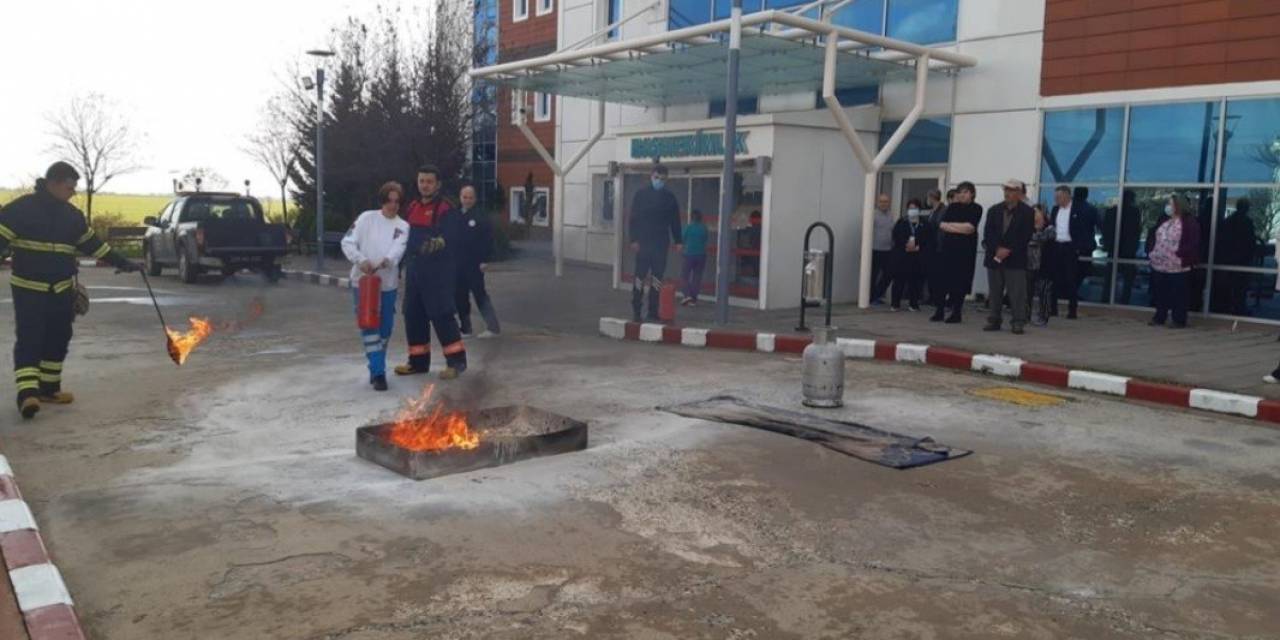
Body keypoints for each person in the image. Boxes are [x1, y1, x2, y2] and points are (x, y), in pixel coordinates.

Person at [0, 162, 140, 419]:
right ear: (53, 182)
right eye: (69, 187)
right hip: (29, 288)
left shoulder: (71, 216)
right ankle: (27, 394)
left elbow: (94, 246)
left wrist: (125, 263)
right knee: (31, 337)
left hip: (61, 288)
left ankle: (49, 388)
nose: (72, 192)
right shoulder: (19, 210)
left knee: (59, 336)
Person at [396, 164, 467, 379]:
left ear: (437, 184)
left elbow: (453, 236)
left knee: (441, 314)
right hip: (415, 270)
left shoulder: (445, 208)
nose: (425, 185)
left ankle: (456, 363)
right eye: (421, 181)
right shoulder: (412, 207)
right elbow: (402, 239)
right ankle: (417, 363)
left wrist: (439, 242)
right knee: (412, 314)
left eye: (429, 181)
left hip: (438, 272)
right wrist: (398, 266)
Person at [342, 181, 410, 392]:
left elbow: (397, 250)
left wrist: (386, 262)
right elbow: (348, 242)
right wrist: (361, 260)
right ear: (382, 201)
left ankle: (374, 365)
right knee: (369, 325)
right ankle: (379, 373)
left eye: (397, 201)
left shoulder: (403, 227)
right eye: (389, 201)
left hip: (387, 283)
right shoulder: (366, 218)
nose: (393, 205)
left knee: (385, 329)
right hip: (362, 282)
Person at [628, 164, 682, 322]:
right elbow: (633, 219)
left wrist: (678, 240)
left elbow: (675, 221)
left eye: (663, 179)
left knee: (657, 279)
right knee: (639, 278)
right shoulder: (641, 195)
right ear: (651, 176)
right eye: (657, 178)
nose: (660, 181)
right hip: (643, 243)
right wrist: (633, 239)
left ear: (667, 180)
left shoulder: (670, 198)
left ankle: (653, 311)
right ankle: (636, 311)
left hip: (660, 244)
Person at [982, 179, 1036, 334]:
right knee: (995, 291)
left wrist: (1009, 249)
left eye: (1011, 190)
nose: (1007, 193)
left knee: (1017, 293)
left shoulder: (1027, 212)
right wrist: (997, 248)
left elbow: (1026, 235)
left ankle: (1018, 321)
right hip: (995, 257)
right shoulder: (994, 210)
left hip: (1015, 258)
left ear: (1019, 193)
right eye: (1006, 190)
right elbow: (988, 233)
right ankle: (994, 320)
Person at [1146, 194, 1201, 329]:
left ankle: (1178, 320)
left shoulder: (1189, 222)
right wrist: (1152, 251)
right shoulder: (1164, 220)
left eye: (1170, 204)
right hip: (1159, 264)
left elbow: (1193, 242)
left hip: (1177, 266)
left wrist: (1179, 254)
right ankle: (1160, 317)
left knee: (1179, 294)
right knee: (1160, 293)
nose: (1168, 207)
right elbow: (1154, 236)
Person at [931, 182, 983, 324]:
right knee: (942, 281)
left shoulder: (976, 208)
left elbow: (970, 228)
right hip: (948, 249)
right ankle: (939, 311)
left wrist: (952, 226)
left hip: (965, 252)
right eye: (960, 192)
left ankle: (956, 313)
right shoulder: (952, 207)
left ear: (972, 193)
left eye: (966, 192)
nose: (962, 194)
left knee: (960, 282)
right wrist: (958, 227)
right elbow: (942, 225)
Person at [454, 184, 501, 338]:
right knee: (460, 296)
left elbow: (488, 239)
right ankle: (466, 328)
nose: (467, 200)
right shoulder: (455, 215)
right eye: (464, 197)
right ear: (460, 197)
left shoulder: (481, 216)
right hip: (458, 264)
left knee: (479, 294)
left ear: (475, 199)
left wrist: (485, 260)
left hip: (475, 264)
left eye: (470, 197)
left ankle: (493, 327)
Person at [1048, 185, 1100, 319]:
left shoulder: (1078, 209)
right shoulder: (1055, 209)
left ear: (1067, 196)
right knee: (1054, 278)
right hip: (1057, 246)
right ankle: (1052, 308)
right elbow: (1053, 226)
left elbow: (1084, 230)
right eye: (1055, 197)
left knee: (1070, 278)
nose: (1056, 199)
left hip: (1070, 247)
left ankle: (1072, 310)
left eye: (1058, 197)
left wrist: (1078, 247)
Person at [1213, 197, 1258, 316]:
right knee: (1240, 287)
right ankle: (1238, 308)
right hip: (1241, 260)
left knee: (1229, 285)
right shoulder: (1246, 222)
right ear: (1246, 208)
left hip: (1229, 259)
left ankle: (1227, 307)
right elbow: (1250, 242)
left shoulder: (1229, 221)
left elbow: (1221, 240)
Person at [890, 198, 929, 311]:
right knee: (899, 280)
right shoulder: (902, 222)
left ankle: (913, 304)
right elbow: (896, 236)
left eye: (915, 208)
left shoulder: (924, 223)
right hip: (903, 255)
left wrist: (918, 246)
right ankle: (895, 303)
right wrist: (905, 245)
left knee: (915, 281)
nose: (912, 210)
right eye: (910, 208)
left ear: (919, 210)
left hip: (917, 257)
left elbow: (928, 239)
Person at [1028, 204, 1056, 326]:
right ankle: (1026, 315)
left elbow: (1040, 238)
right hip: (1030, 265)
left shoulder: (1050, 229)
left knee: (1044, 292)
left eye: (1036, 212)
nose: (1034, 215)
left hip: (1046, 265)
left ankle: (1044, 316)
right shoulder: (1029, 228)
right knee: (1029, 291)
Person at [869, 193, 895, 304]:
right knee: (872, 275)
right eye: (882, 201)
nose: (884, 204)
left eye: (886, 201)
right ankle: (871, 298)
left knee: (889, 273)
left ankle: (878, 294)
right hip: (874, 250)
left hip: (888, 250)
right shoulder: (872, 215)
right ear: (877, 202)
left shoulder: (891, 215)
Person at [924, 189, 947, 306]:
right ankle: (931, 296)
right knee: (931, 273)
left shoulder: (943, 210)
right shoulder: (933, 211)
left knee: (937, 274)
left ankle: (937, 298)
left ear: (932, 197)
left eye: (928, 197)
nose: (927, 200)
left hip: (938, 247)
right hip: (931, 246)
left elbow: (939, 227)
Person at [680, 209, 708, 306]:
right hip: (701, 255)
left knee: (684, 276)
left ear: (692, 218)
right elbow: (705, 239)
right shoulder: (704, 228)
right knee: (697, 277)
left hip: (690, 255)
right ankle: (693, 299)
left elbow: (682, 239)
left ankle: (687, 295)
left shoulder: (689, 228)